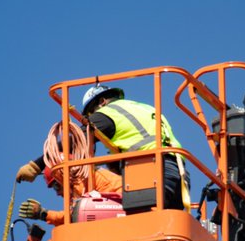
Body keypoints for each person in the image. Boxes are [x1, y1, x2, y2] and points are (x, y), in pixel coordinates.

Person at [17, 85, 186, 210]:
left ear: (102, 102)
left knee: (135, 221)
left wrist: (37, 165)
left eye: (91, 114)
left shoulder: (109, 112)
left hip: (150, 171)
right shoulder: (145, 108)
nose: (91, 119)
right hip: (177, 170)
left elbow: (77, 139)